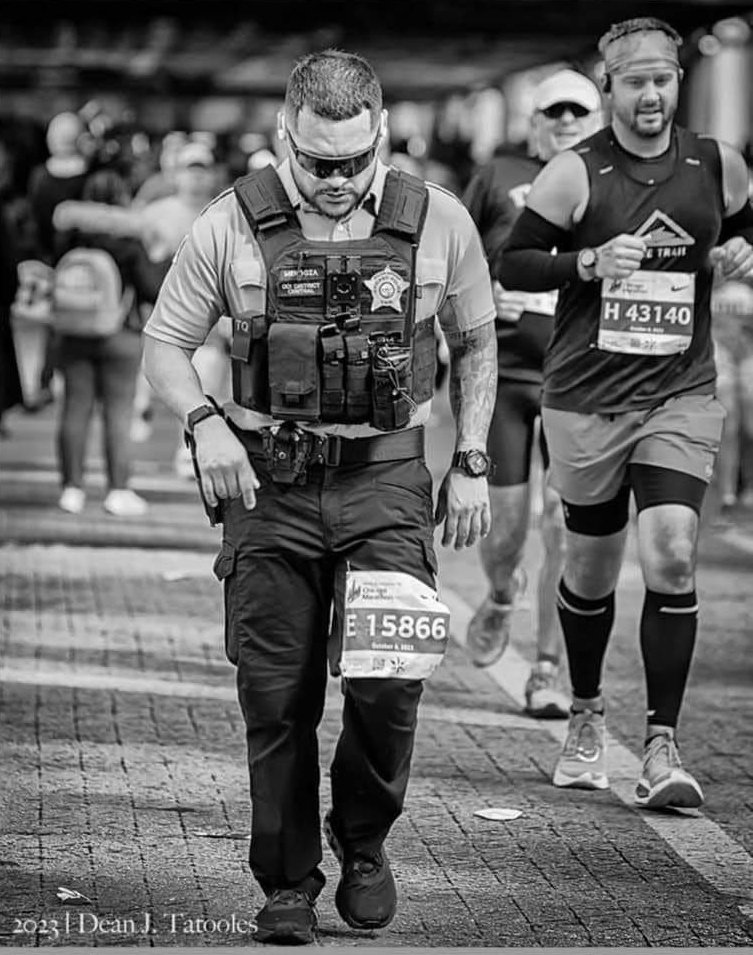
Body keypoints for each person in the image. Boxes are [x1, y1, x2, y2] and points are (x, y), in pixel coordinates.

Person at [142, 50, 496, 944]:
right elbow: (164, 345)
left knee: (388, 685)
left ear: (380, 133)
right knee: (275, 693)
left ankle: (364, 840)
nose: (334, 180)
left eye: (351, 160)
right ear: (282, 140)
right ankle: (288, 880)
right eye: (314, 162)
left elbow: (476, 343)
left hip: (386, 481)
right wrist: (204, 423)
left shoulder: (439, 220)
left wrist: (474, 458)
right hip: (270, 485)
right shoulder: (229, 224)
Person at [498, 17, 753, 809]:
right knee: (589, 569)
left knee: (672, 550)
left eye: (664, 80)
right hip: (584, 399)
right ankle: (582, 715)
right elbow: (515, 258)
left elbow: (738, 232)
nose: (651, 94)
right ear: (609, 87)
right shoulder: (574, 175)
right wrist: (586, 260)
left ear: (679, 83)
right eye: (635, 81)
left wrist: (739, 257)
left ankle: (660, 744)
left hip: (677, 391)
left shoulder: (718, 165)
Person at [462, 69, 603, 718]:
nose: (567, 121)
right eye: (555, 112)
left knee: (564, 529)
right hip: (509, 381)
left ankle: (546, 668)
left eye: (580, 112)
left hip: (581, 382)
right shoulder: (496, 177)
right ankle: (498, 595)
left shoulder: (612, 183)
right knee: (506, 533)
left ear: (598, 119)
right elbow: (455, 255)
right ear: (535, 122)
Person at [53, 169, 157, 517]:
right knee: (118, 412)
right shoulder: (130, 238)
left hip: (73, 330)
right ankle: (118, 490)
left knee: (74, 409)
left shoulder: (69, 235)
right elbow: (150, 287)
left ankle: (72, 488)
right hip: (121, 333)